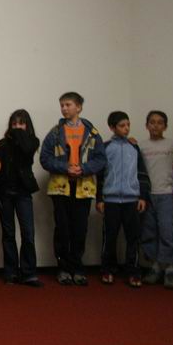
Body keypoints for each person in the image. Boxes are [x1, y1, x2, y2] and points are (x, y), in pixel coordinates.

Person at [40, 92, 106, 286]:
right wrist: (64, 167)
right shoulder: (55, 132)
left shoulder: (92, 133)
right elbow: (45, 158)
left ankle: (77, 268)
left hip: (83, 188)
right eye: (62, 105)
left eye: (68, 105)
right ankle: (63, 268)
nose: (64, 108)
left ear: (79, 107)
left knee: (80, 228)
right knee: (63, 228)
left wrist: (84, 169)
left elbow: (101, 159)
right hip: (60, 187)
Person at [96, 111, 150, 287]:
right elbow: (100, 176)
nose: (126, 128)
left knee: (133, 237)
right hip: (111, 200)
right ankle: (107, 269)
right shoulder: (105, 147)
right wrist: (100, 199)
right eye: (122, 125)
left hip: (131, 199)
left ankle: (133, 271)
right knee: (109, 237)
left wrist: (142, 196)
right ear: (112, 127)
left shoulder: (134, 147)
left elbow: (141, 173)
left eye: (128, 125)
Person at [0, 109, 42, 287]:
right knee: (8, 234)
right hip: (5, 192)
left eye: (21, 124)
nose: (17, 127)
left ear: (27, 125)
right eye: (14, 124)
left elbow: (26, 150)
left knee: (28, 233)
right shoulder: (2, 144)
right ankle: (11, 272)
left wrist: (19, 134)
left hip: (23, 192)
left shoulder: (33, 141)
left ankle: (29, 272)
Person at [138, 110, 173, 289]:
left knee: (167, 231)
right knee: (149, 231)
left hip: (166, 193)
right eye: (152, 122)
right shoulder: (140, 146)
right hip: (147, 195)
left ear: (165, 126)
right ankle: (155, 267)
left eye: (159, 122)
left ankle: (169, 268)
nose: (155, 126)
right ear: (146, 125)